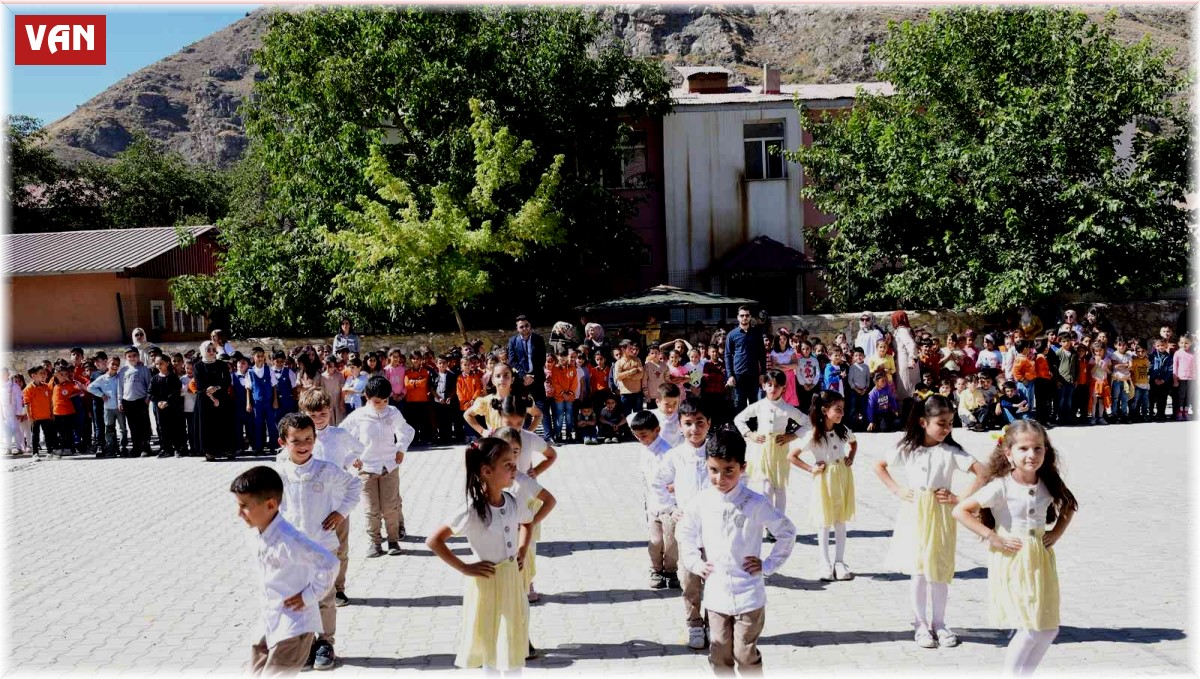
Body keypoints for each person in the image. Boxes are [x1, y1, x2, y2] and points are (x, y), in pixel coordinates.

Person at [953, 421, 1078, 676]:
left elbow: (1068, 506)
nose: (1031, 455)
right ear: (1008, 453)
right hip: (1013, 559)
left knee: (1049, 628)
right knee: (1030, 628)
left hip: (1041, 558)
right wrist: (992, 536)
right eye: (1023, 448)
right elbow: (960, 510)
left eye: (1038, 448)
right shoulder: (1001, 486)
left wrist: (1056, 533)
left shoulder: (1048, 482)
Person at [425, 438, 557, 670]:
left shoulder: (512, 501)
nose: (514, 467)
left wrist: (522, 550)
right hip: (486, 582)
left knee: (513, 638)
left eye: (514, 461)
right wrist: (465, 567)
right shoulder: (472, 509)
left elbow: (527, 523)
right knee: (490, 642)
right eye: (507, 464)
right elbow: (434, 541)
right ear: (487, 471)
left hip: (512, 579)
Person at [677, 427, 795, 674]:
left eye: (729, 471)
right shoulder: (702, 501)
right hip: (717, 593)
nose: (720, 478)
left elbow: (787, 531)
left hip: (749, 593)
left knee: (744, 653)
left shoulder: (755, 502)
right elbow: (684, 531)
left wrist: (769, 564)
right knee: (719, 651)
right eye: (713, 470)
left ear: (743, 468)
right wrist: (695, 563)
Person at [874, 395, 986, 650]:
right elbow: (879, 465)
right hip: (915, 512)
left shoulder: (952, 451)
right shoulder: (908, 447)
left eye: (950, 423)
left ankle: (940, 622)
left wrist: (960, 498)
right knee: (919, 569)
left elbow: (983, 473)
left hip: (940, 513)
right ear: (923, 422)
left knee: (939, 569)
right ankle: (920, 623)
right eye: (942, 423)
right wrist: (897, 490)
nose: (947, 429)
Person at [272, 413, 361, 671]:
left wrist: (341, 512)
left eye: (308, 439)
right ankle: (305, 644)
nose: (303, 445)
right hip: (292, 551)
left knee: (323, 596)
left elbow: (354, 487)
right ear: (282, 442)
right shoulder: (278, 473)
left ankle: (325, 642)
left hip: (322, 546)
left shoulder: (326, 470)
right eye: (296, 440)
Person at [231, 466, 338, 677]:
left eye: (244, 506)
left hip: (294, 628)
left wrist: (309, 596)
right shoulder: (255, 535)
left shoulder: (290, 540)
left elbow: (329, 563)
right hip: (269, 623)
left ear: (270, 504)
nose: (239, 513)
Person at [651, 396, 716, 650]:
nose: (694, 429)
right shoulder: (674, 455)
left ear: (709, 423)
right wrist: (670, 508)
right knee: (690, 580)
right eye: (688, 423)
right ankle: (694, 624)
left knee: (715, 577)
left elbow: (741, 478)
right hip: (687, 529)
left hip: (716, 529)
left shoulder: (716, 451)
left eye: (700, 423)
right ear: (679, 425)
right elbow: (657, 484)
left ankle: (714, 623)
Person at [298, 387, 364, 609]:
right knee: (311, 548)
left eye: (322, 413)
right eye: (312, 415)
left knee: (340, 548)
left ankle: (339, 589)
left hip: (338, 504)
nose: (317, 419)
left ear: (330, 410)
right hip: (309, 505)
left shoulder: (338, 435)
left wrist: (348, 461)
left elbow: (359, 448)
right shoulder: (301, 438)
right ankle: (313, 587)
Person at [340, 376, 415, 558]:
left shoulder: (393, 412)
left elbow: (406, 431)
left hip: (389, 466)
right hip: (366, 469)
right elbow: (341, 435)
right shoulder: (359, 416)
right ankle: (374, 542)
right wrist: (351, 457)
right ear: (367, 397)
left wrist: (401, 449)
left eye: (385, 400)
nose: (381, 404)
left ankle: (393, 539)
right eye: (377, 401)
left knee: (390, 506)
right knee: (371, 509)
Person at [789, 390, 857, 582]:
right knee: (824, 522)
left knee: (840, 520)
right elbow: (791, 456)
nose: (841, 413)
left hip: (842, 477)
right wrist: (811, 468)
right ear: (824, 410)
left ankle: (840, 562)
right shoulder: (814, 435)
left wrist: (850, 458)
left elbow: (854, 443)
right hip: (824, 480)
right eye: (838, 409)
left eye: (843, 409)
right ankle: (824, 562)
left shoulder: (842, 430)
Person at [733, 370, 808, 531]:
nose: (773, 388)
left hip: (780, 450)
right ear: (763, 386)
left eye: (777, 385)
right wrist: (750, 434)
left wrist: (792, 436)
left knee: (779, 488)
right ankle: (767, 523)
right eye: (769, 385)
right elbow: (739, 418)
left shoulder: (787, 408)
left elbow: (807, 422)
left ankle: (779, 525)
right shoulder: (759, 406)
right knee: (766, 487)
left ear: (783, 388)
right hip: (762, 450)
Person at [493, 425, 557, 604]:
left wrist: (532, 522)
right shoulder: (487, 476)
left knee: (525, 564)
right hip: (497, 536)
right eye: (505, 450)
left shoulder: (523, 479)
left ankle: (527, 586)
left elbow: (550, 500)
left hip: (522, 537)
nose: (511, 456)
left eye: (515, 451)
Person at [630, 410, 679, 590]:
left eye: (644, 435)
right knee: (655, 541)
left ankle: (671, 571)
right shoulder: (644, 450)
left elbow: (678, 478)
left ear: (657, 430)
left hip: (669, 506)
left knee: (671, 542)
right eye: (637, 436)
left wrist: (676, 491)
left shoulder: (669, 453)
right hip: (652, 505)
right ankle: (656, 569)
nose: (641, 439)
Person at [507, 315, 549, 440]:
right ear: (517, 328)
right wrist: (523, 375)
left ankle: (548, 436)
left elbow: (542, 359)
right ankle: (523, 435)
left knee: (542, 407)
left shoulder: (538, 339)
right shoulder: (513, 341)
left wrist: (533, 376)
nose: (524, 328)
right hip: (521, 381)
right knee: (523, 407)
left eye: (526, 325)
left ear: (530, 326)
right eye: (521, 326)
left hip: (537, 378)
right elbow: (513, 360)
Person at [193, 341, 234, 461]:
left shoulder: (221, 364)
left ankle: (227, 449)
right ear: (203, 351)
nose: (212, 352)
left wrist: (217, 387)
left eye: (213, 350)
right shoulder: (198, 366)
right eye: (208, 350)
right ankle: (209, 451)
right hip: (205, 400)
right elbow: (199, 384)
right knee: (207, 426)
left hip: (221, 397)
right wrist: (213, 398)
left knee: (223, 424)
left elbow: (227, 380)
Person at [725, 306, 766, 413]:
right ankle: (740, 429)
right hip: (738, 375)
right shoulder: (732, 335)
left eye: (747, 315)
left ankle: (753, 429)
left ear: (750, 317)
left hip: (753, 374)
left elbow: (762, 354)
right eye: (742, 315)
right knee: (739, 403)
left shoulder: (757, 334)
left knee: (754, 403)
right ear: (738, 317)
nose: (745, 318)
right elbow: (728, 355)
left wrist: (763, 373)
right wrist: (730, 375)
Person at [117, 348, 153, 459]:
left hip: (141, 400)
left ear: (138, 356)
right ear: (125, 357)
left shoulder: (143, 369)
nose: (132, 358)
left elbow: (149, 384)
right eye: (129, 356)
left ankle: (145, 447)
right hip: (127, 401)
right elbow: (120, 387)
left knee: (143, 424)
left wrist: (148, 397)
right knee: (133, 425)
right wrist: (120, 400)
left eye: (134, 355)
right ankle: (136, 447)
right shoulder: (123, 371)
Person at [86, 357, 122, 458]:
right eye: (95, 361)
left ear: (105, 361)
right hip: (99, 404)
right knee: (100, 426)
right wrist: (101, 394)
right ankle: (100, 445)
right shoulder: (95, 375)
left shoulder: (117, 376)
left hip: (112, 405)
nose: (97, 363)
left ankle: (114, 446)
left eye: (99, 360)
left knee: (112, 427)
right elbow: (91, 387)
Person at [149, 356, 184, 458]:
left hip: (172, 407)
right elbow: (150, 392)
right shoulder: (154, 378)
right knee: (162, 428)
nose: (159, 366)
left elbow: (176, 391)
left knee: (175, 427)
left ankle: (178, 448)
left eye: (161, 363)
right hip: (160, 408)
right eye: (157, 364)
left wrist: (168, 402)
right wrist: (158, 402)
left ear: (167, 363)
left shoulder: (173, 377)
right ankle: (166, 448)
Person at [891, 311, 921, 419]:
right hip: (904, 362)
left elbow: (911, 344)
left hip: (906, 363)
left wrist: (912, 358)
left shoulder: (903, 331)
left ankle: (907, 417)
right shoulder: (901, 330)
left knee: (906, 390)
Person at [23, 366, 54, 459]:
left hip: (46, 416)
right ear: (34, 376)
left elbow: (50, 401)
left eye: (44, 373)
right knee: (35, 435)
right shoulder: (28, 389)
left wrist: (51, 413)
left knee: (48, 434)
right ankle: (35, 453)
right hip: (35, 417)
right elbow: (26, 404)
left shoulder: (46, 386)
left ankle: (50, 452)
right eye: (41, 373)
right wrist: (29, 416)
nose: (43, 375)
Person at [614, 340, 645, 416]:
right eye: (630, 348)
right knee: (626, 416)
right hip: (625, 394)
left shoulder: (637, 360)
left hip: (637, 393)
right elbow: (618, 376)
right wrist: (630, 372)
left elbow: (641, 375)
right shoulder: (619, 362)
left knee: (638, 416)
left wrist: (626, 376)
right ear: (623, 349)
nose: (632, 350)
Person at [1149, 337, 1174, 421]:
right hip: (1153, 381)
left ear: (1166, 345)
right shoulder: (1152, 356)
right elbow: (1150, 368)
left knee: (1162, 398)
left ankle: (1161, 413)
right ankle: (1150, 413)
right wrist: (1154, 378)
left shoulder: (1169, 357)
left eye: (1162, 345)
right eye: (1158, 345)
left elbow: (1170, 370)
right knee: (1151, 398)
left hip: (1164, 382)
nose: (1160, 347)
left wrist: (1163, 380)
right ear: (1155, 346)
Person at [1172, 334, 1194, 420]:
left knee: (1189, 396)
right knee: (1181, 396)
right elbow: (1175, 366)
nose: (1184, 345)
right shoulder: (1177, 353)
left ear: (1191, 343)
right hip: (1181, 378)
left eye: (1186, 343)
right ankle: (1180, 412)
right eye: (1182, 343)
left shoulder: (1193, 354)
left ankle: (1186, 411)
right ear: (1178, 343)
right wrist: (1175, 379)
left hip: (1192, 378)